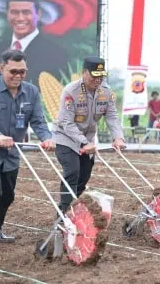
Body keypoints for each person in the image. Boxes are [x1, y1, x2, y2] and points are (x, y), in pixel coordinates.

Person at [0, 49, 55, 253]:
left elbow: (38, 120)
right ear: (2, 68)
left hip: (11, 152)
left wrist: (47, 137)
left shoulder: (32, 92)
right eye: (13, 71)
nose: (18, 76)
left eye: (22, 72)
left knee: (7, 195)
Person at [52, 56, 126, 214]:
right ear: (84, 72)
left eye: (101, 76)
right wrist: (84, 142)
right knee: (72, 171)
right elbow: (67, 123)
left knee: (83, 177)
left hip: (88, 140)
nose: (98, 80)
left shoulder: (106, 93)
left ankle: (71, 207)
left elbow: (112, 116)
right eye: (94, 75)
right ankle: (63, 213)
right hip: (66, 138)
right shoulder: (71, 91)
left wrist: (118, 137)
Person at [0, 0, 68, 88]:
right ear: (7, 14)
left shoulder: (55, 53)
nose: (20, 18)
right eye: (14, 12)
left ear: (38, 14)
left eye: (26, 12)